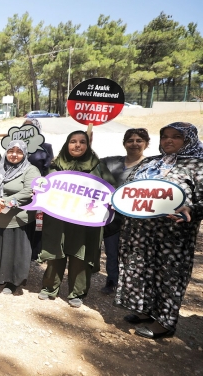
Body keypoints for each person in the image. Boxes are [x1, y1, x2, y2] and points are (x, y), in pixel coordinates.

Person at [116, 122, 203, 339]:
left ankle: (164, 323)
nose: (168, 140)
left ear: (189, 140)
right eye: (165, 136)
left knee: (168, 275)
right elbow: (128, 189)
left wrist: (191, 210)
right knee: (141, 270)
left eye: (176, 136)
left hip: (172, 236)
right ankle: (145, 310)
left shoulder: (197, 165)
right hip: (139, 233)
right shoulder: (150, 162)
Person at [38, 131, 115, 308]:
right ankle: (49, 288)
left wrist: (112, 200)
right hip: (58, 220)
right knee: (55, 252)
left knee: (82, 255)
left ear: (88, 145)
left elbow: (112, 190)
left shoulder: (98, 167)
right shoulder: (55, 166)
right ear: (67, 144)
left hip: (86, 222)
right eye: (73, 141)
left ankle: (77, 292)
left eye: (82, 142)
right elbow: (44, 187)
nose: (77, 145)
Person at [0, 141, 40, 294]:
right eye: (11, 151)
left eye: (19, 152)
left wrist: (4, 202)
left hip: (16, 219)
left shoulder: (31, 170)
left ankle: (12, 282)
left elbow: (28, 191)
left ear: (25, 154)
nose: (14, 154)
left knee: (14, 251)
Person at [98, 128, 149, 295]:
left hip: (137, 220)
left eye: (139, 140)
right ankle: (112, 281)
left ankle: (130, 286)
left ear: (146, 143)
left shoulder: (152, 166)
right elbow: (92, 163)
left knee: (134, 254)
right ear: (124, 143)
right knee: (112, 251)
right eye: (130, 140)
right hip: (112, 218)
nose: (134, 144)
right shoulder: (111, 162)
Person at [21, 118, 55, 262]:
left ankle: (34, 252)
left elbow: (48, 170)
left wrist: (42, 189)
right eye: (25, 128)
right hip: (19, 188)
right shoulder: (16, 145)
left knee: (37, 222)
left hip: (37, 190)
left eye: (31, 128)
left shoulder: (46, 147)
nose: (28, 131)